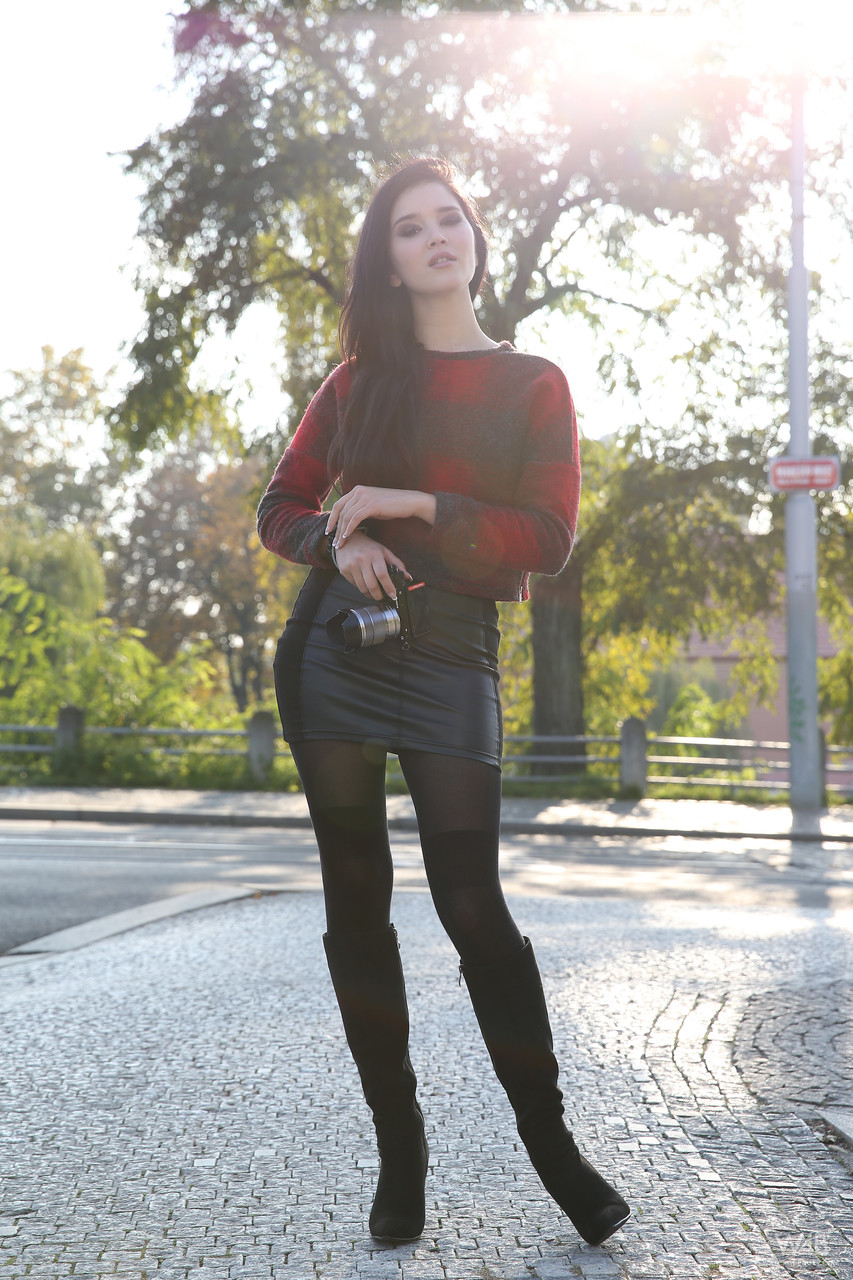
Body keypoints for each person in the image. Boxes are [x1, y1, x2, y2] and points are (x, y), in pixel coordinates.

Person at [257, 156, 630, 1248]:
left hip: (457, 656)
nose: (435, 237)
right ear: (388, 260)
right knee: (356, 901)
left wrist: (413, 500)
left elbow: (547, 537)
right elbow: (279, 505)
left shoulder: (533, 382)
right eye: (410, 227)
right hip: (334, 649)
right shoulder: (355, 381)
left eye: (449, 219)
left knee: (473, 903)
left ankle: (553, 1149)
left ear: (473, 237)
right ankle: (399, 1150)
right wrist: (337, 538)